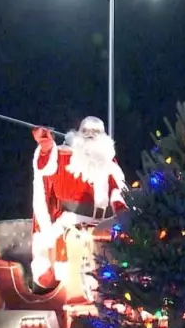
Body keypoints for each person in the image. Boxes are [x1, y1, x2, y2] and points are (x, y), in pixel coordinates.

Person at [30, 116, 128, 291]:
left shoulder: (107, 160)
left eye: (95, 131)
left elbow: (117, 188)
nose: (90, 135)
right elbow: (46, 166)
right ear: (78, 134)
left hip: (104, 224)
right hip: (73, 225)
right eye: (86, 131)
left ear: (103, 136)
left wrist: (120, 207)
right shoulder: (64, 156)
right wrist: (45, 147)